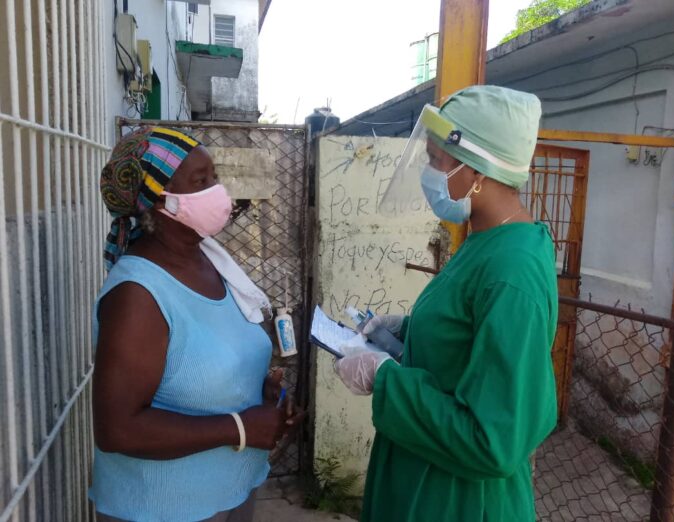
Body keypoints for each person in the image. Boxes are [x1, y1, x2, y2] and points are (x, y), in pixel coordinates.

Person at [334, 86, 558, 521]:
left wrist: (385, 380)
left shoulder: (512, 270)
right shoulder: (485, 239)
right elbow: (468, 338)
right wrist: (409, 330)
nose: (429, 173)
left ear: (478, 170)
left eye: (437, 162)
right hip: (428, 475)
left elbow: (492, 442)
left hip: (460, 500)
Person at [91, 127, 305, 522]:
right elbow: (116, 429)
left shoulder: (209, 259)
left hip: (230, 490)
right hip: (165, 507)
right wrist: (239, 427)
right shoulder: (137, 295)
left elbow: (197, 362)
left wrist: (259, 395)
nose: (217, 191)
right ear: (160, 202)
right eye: (200, 182)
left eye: (215, 178)